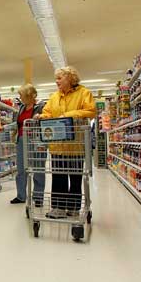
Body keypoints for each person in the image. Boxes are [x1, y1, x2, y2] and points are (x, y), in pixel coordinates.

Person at [36, 66, 96, 219]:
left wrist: (69, 115)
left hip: (76, 146)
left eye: (59, 78)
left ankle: (74, 207)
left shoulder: (84, 93)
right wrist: (42, 116)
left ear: (70, 78)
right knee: (58, 176)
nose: (56, 81)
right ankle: (58, 208)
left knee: (75, 177)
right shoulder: (54, 97)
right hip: (57, 145)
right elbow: (48, 112)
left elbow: (91, 111)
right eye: (56, 78)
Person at [10, 84, 46, 205]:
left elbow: (46, 121)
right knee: (21, 169)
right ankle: (21, 196)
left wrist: (40, 117)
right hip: (21, 140)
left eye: (21, 95)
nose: (20, 97)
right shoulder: (21, 108)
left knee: (38, 168)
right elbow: (18, 123)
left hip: (36, 140)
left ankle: (38, 197)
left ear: (29, 95)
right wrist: (12, 133)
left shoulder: (41, 106)